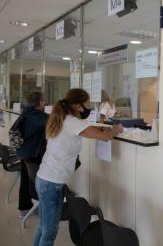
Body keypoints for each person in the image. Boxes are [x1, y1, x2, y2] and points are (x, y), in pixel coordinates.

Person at [33, 89, 124, 246]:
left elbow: (94, 130)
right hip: (51, 183)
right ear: (77, 106)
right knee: (49, 232)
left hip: (46, 179)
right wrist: (116, 129)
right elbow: (105, 137)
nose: (89, 107)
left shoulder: (63, 119)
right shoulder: (72, 122)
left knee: (44, 227)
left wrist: (104, 129)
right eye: (88, 104)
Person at [16, 92, 48, 218]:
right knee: (33, 181)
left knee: (25, 180)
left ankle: (24, 208)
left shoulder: (26, 113)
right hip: (33, 153)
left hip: (25, 152)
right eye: (43, 100)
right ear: (39, 102)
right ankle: (35, 208)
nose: (45, 103)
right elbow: (54, 121)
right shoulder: (37, 116)